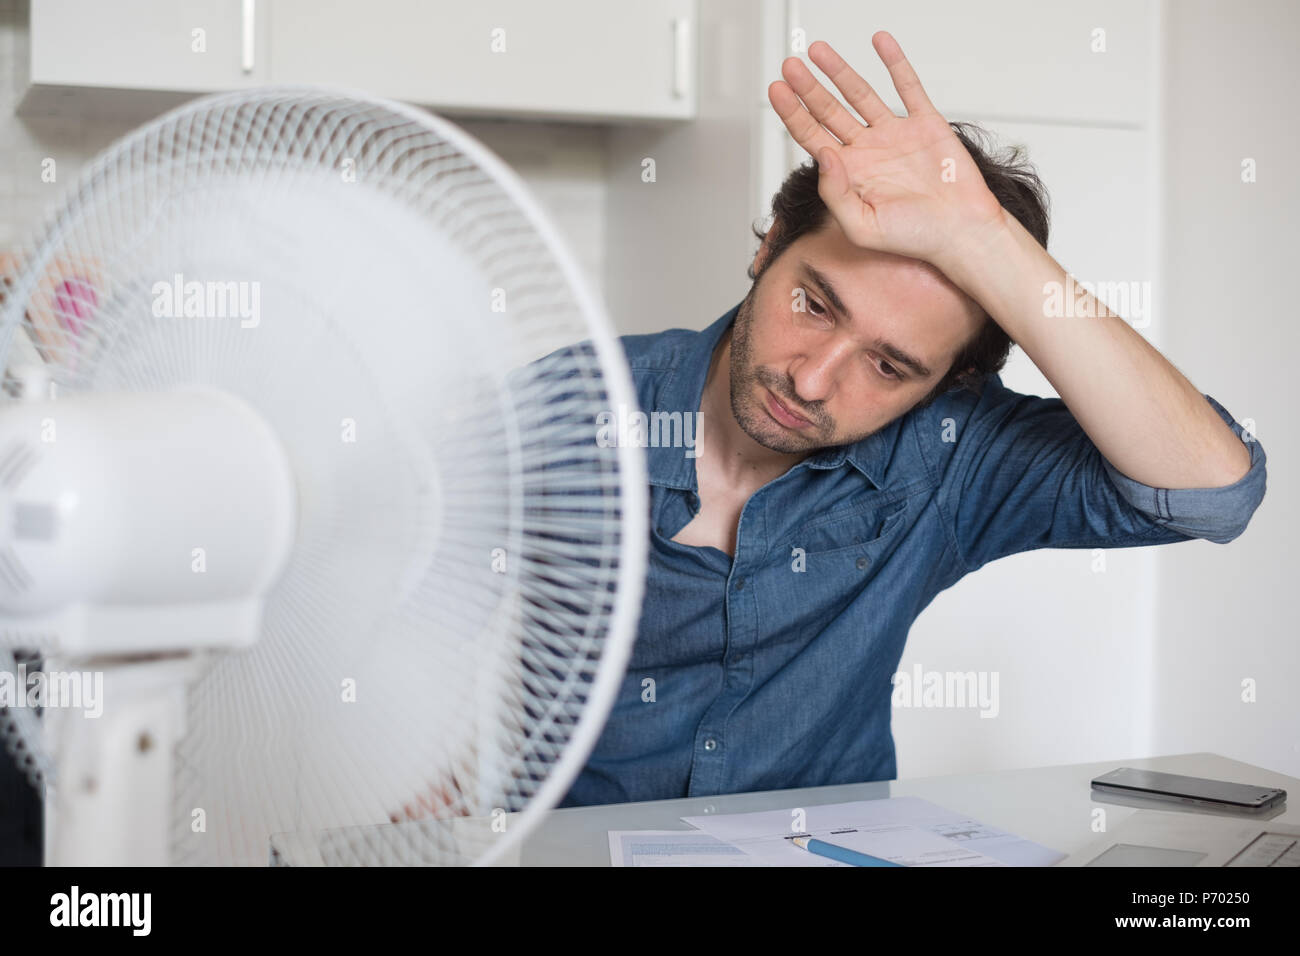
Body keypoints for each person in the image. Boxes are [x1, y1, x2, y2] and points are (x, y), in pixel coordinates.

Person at [556, 33, 1266, 808]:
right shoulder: (570, 410)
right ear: (768, 249)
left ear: (950, 383)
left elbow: (1215, 490)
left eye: (889, 366)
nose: (812, 378)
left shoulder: (950, 457)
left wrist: (984, 240)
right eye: (815, 305)